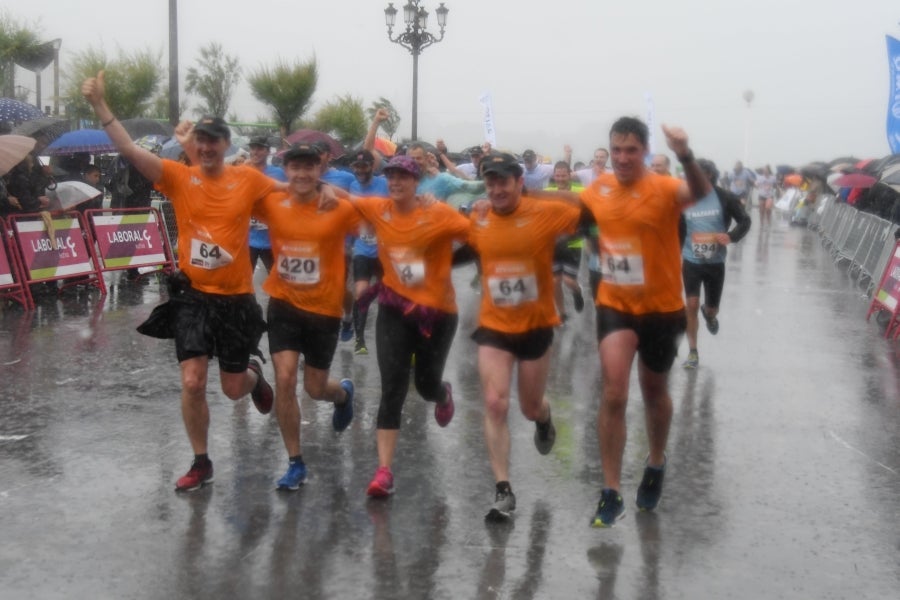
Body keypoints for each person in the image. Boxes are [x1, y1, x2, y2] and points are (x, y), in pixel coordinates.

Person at [82, 70, 282, 492]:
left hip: (235, 300)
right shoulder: (178, 176)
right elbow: (130, 150)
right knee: (191, 381)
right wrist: (101, 105)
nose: (208, 147)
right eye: (202, 140)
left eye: (215, 141)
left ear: (226, 146)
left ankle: (253, 377)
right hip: (192, 296)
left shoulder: (247, 180)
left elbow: (291, 199)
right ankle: (201, 461)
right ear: (195, 146)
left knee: (231, 390)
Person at [580, 118, 711, 527]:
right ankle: (611, 491)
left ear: (644, 151)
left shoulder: (665, 187)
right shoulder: (597, 188)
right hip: (614, 305)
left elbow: (701, 191)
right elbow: (562, 211)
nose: (621, 158)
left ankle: (656, 462)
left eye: (631, 150)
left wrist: (685, 153)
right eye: (616, 149)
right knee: (615, 393)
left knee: (654, 393)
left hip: (661, 309)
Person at [466, 152, 586, 520]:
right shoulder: (478, 216)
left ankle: (544, 417)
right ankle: (503, 489)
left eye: (504, 181)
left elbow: (583, 208)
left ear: (520, 182)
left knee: (528, 406)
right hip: (494, 326)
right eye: (491, 181)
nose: (497, 188)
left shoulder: (544, 213)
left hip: (535, 326)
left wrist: (535, 196)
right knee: (495, 402)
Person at [349, 155, 470, 498]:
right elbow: (346, 199)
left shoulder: (438, 213)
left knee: (426, 383)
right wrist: (324, 192)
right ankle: (384, 470)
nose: (396, 182)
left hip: (438, 313)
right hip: (394, 309)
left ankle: (442, 393)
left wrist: (450, 264)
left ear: (418, 182)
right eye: (391, 176)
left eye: (404, 176)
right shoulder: (379, 208)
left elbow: (477, 236)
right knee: (393, 389)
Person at [253, 143, 359, 490]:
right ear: (286, 171)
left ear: (320, 169)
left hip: (324, 311)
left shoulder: (338, 207)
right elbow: (231, 191)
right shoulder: (272, 202)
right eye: (294, 168)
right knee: (284, 378)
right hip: (283, 304)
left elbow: (373, 214)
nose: (301, 174)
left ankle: (342, 395)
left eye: (308, 168)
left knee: (315, 389)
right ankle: (295, 462)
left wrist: (331, 189)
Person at [680, 159, 751, 369]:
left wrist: (730, 236)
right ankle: (693, 352)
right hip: (691, 260)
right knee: (690, 304)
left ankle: (709, 315)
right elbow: (676, 226)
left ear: (709, 175)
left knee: (711, 309)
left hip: (715, 262)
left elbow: (745, 221)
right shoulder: (684, 198)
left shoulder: (725, 197)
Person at [348, 148, 387, 355]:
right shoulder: (352, 185)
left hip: (385, 252)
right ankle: (359, 340)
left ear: (373, 166)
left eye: (364, 166)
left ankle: (397, 338)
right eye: (357, 167)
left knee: (392, 296)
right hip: (362, 249)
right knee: (361, 292)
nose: (360, 171)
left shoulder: (385, 184)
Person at [545, 161, 586, 322]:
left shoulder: (581, 192)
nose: (560, 179)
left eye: (563, 175)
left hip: (573, 243)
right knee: (555, 281)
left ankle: (577, 291)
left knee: (569, 281)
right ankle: (561, 313)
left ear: (570, 175)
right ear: (554, 176)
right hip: (553, 243)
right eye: (558, 175)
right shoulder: (547, 193)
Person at [246, 135, 287, 275]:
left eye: (260, 148)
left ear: (268, 151)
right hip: (247, 239)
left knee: (279, 281)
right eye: (252, 148)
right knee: (242, 282)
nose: (255, 152)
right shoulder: (242, 172)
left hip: (271, 240)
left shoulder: (279, 173)